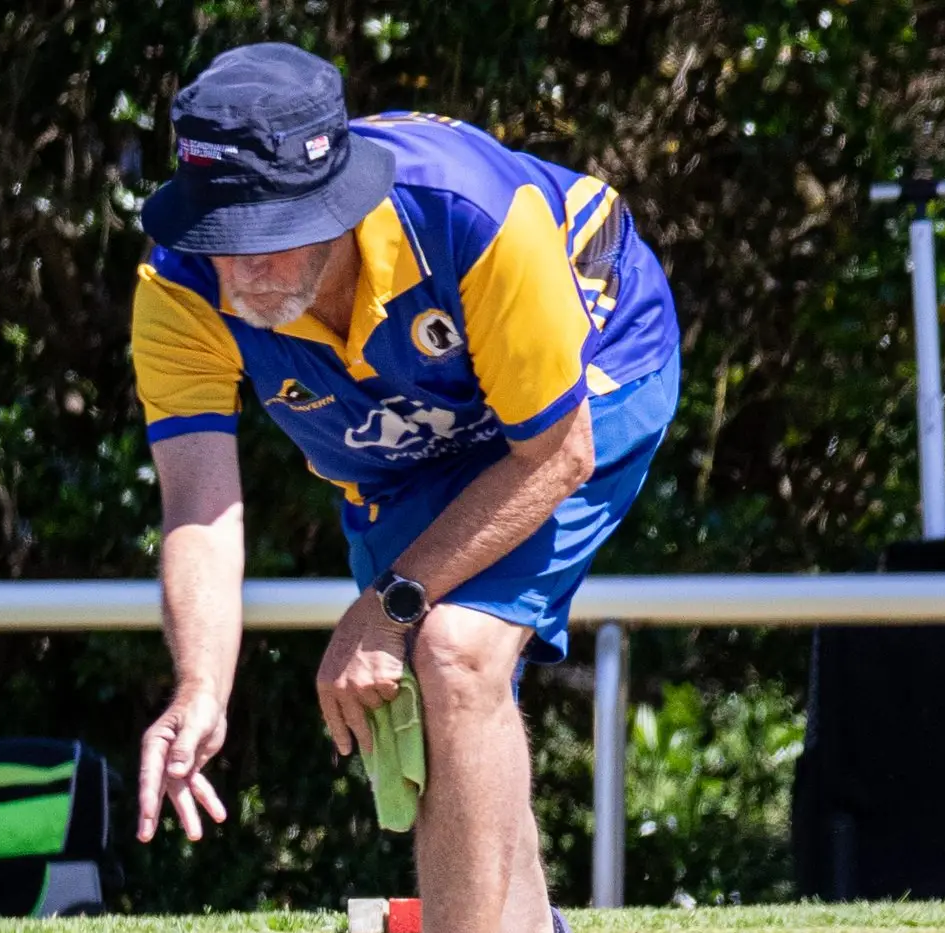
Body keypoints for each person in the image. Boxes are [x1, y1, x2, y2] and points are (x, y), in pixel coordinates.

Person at [129, 41, 680, 933]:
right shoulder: (180, 287)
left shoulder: (472, 218)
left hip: (589, 373)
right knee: (433, 688)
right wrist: (200, 686)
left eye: (263, 239)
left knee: (454, 650)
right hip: (412, 440)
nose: (240, 275)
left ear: (336, 205)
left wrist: (389, 602)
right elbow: (200, 504)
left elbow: (558, 453)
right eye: (216, 238)